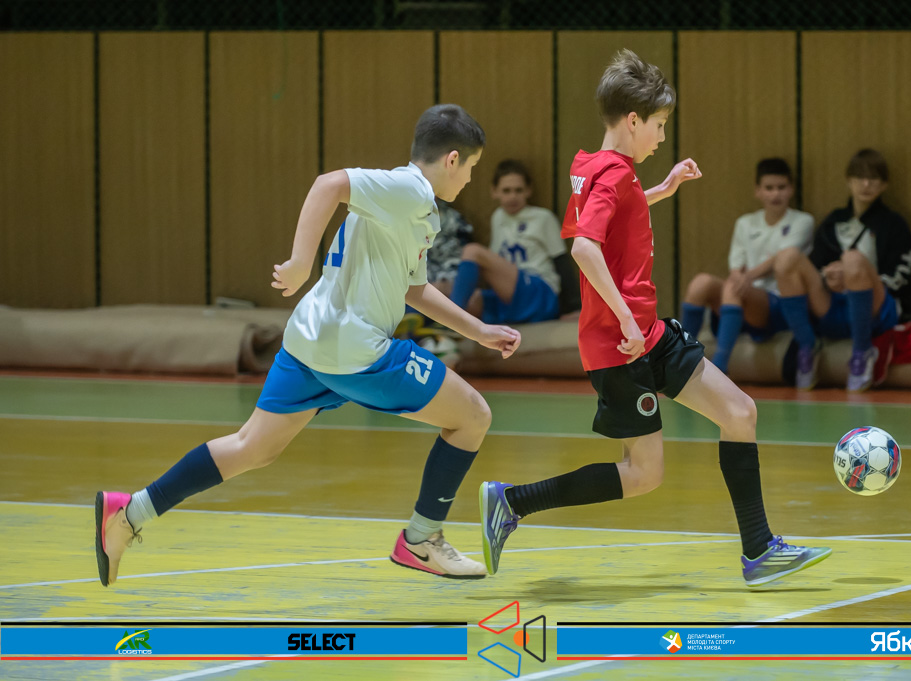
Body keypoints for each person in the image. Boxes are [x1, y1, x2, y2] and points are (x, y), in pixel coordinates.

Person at [94, 104, 521, 586]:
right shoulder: (408, 189)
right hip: (356, 351)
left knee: (252, 447)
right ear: (452, 159)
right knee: (472, 416)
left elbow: (413, 289)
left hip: (310, 341)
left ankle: (129, 513)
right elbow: (328, 184)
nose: (470, 178)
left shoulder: (414, 208)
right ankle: (421, 538)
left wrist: (479, 331)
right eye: (472, 167)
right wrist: (301, 262)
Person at [477, 49, 830, 588]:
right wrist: (623, 317)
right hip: (621, 343)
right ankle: (513, 502)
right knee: (644, 475)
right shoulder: (612, 174)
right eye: (659, 125)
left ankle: (759, 551)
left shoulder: (593, 167)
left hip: (649, 334)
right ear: (633, 120)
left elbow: (613, 213)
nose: (663, 136)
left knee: (740, 412)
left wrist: (662, 189)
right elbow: (584, 249)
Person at [774, 148, 911, 391]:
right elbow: (816, 266)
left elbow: (901, 277)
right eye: (860, 177)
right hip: (834, 305)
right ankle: (807, 346)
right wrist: (829, 278)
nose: (866, 184)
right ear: (849, 181)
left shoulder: (894, 224)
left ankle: (862, 352)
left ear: (884, 185)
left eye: (874, 178)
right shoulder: (834, 221)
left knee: (852, 259)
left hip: (876, 308)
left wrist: (853, 275)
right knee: (787, 258)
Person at [680, 158, 814, 373]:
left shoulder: (802, 221)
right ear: (757, 191)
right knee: (700, 283)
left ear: (791, 189)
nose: (775, 194)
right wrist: (739, 279)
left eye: (781, 187)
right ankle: (680, 358)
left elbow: (780, 259)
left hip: (779, 302)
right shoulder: (745, 223)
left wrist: (744, 279)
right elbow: (736, 266)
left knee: (732, 288)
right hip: (743, 297)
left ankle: (720, 367)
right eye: (769, 188)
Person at [448, 159, 569, 324]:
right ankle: (428, 329)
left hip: (540, 293)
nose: (513, 197)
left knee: (472, 251)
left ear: (528, 191)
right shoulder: (498, 217)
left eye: (519, 190)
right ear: (494, 192)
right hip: (511, 294)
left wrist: (572, 308)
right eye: (506, 191)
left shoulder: (543, 217)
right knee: (470, 301)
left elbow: (562, 262)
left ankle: (450, 321)